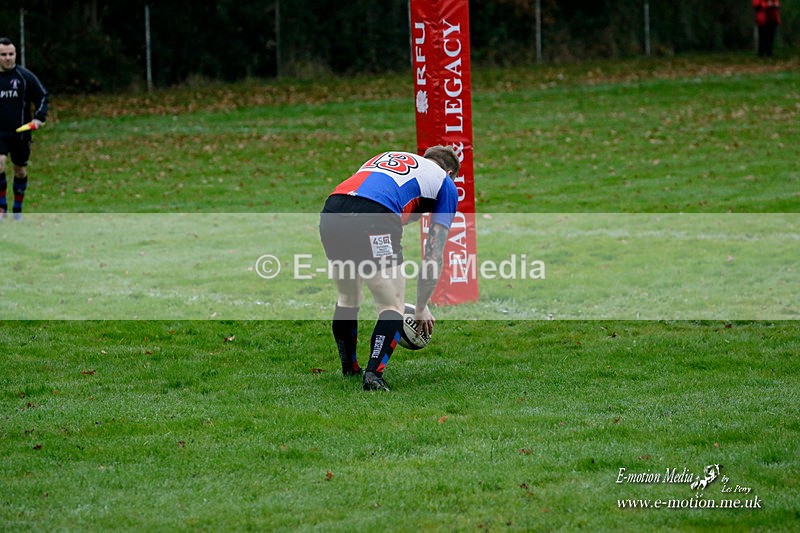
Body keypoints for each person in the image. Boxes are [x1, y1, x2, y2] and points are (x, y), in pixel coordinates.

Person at [319, 146, 460, 391]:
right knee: (392, 304)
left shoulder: (386, 156)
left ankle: (350, 368)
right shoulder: (445, 183)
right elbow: (434, 253)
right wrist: (420, 307)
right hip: (377, 215)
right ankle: (373, 375)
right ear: (449, 172)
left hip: (332, 209)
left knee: (348, 295)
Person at [0, 37, 48, 221]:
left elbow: (42, 96)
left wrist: (39, 117)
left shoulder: (24, 76)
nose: (8, 58)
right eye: (3, 55)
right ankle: (2, 207)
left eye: (11, 54)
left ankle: (17, 209)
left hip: (20, 132)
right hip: (0, 133)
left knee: (19, 170)